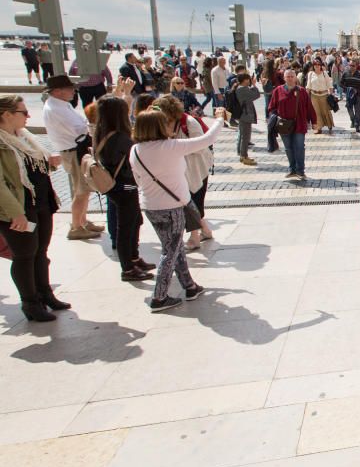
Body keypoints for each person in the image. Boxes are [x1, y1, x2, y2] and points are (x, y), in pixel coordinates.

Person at [130, 107, 224, 312]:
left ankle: (189, 286)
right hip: (172, 206)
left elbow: (138, 178)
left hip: (150, 206)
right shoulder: (170, 146)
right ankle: (159, 296)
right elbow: (207, 140)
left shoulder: (136, 150)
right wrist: (219, 119)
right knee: (170, 252)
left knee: (174, 247)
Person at [0, 95, 68, 321]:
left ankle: (45, 294)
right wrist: (15, 212)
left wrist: (49, 163)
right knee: (24, 255)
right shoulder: (2, 143)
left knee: (40, 251)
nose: (28, 116)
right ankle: (30, 303)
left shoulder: (24, 138)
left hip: (40, 204)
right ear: (7, 115)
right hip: (19, 210)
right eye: (23, 112)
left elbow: (31, 170)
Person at [93, 95, 155, 282]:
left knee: (134, 221)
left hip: (118, 185)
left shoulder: (102, 132)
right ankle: (127, 268)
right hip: (125, 185)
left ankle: (134, 258)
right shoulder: (120, 138)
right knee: (126, 227)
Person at [41, 75, 104, 240]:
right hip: (74, 150)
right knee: (81, 190)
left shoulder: (59, 105)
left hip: (74, 149)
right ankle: (76, 227)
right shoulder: (56, 109)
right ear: (57, 91)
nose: (73, 91)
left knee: (84, 188)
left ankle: (82, 221)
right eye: (69, 89)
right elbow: (80, 130)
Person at [151, 96, 215, 250]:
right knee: (188, 203)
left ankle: (194, 238)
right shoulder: (161, 124)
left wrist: (177, 145)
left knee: (193, 203)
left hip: (195, 168)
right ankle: (205, 231)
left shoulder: (189, 122)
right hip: (177, 169)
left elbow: (201, 145)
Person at [268, 69, 317, 180]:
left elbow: (309, 107)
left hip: (299, 124)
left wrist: (314, 121)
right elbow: (271, 107)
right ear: (284, 78)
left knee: (299, 147)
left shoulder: (302, 91)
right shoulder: (278, 91)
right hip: (284, 125)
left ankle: (300, 170)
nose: (290, 78)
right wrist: (274, 118)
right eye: (287, 76)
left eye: (292, 76)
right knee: (288, 148)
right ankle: (292, 169)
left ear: (295, 78)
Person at [234, 73, 260, 166]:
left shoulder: (240, 88)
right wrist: (254, 85)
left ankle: (242, 155)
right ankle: (244, 156)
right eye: (248, 79)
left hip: (243, 115)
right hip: (245, 115)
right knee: (245, 137)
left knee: (243, 136)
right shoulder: (243, 89)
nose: (249, 81)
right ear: (244, 80)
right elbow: (256, 95)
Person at [306, 61, 335, 134]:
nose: (317, 66)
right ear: (313, 66)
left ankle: (329, 125)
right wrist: (306, 96)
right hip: (314, 95)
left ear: (321, 65)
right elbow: (308, 86)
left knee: (325, 111)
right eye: (315, 64)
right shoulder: (310, 74)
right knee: (316, 112)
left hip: (324, 95)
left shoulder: (324, 73)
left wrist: (331, 94)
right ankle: (319, 128)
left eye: (318, 64)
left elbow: (329, 84)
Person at [341, 60, 360, 132]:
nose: (351, 67)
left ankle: (357, 125)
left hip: (357, 95)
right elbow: (341, 83)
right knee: (349, 109)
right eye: (350, 65)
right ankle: (352, 120)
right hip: (349, 95)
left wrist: (358, 90)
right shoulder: (345, 73)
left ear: (356, 66)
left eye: (353, 66)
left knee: (357, 110)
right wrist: (347, 89)